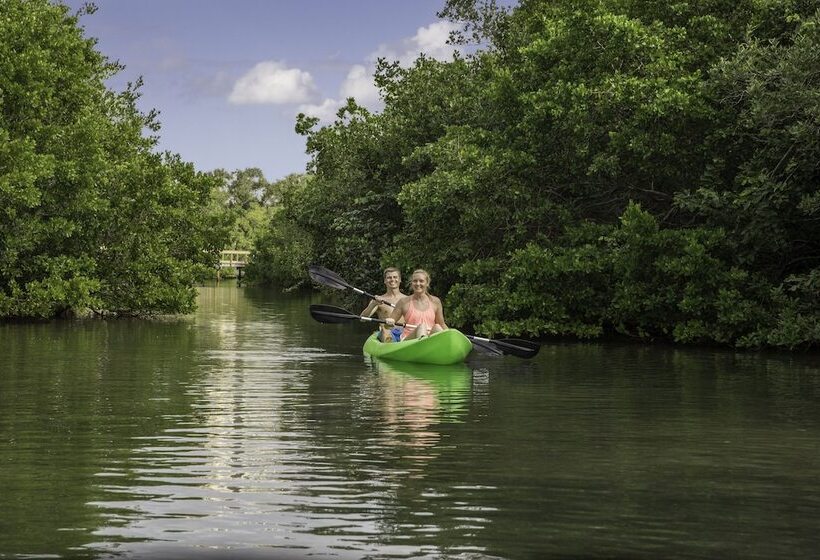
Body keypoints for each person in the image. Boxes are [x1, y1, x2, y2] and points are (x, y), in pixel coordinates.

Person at [385, 269, 447, 340]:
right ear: (411, 283)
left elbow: (442, 324)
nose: (418, 284)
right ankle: (423, 345)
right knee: (421, 327)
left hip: (429, 338)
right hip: (409, 341)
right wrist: (389, 322)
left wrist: (452, 335)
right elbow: (388, 326)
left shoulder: (435, 301)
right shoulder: (403, 302)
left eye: (421, 281)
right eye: (415, 281)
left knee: (437, 327)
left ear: (427, 283)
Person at [361, 267, 405, 342]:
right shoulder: (378, 299)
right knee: (385, 329)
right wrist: (373, 304)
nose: (392, 280)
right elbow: (362, 319)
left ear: (400, 280)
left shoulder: (408, 299)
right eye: (389, 277)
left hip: (404, 333)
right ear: (385, 281)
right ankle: (389, 348)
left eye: (395, 277)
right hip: (387, 332)